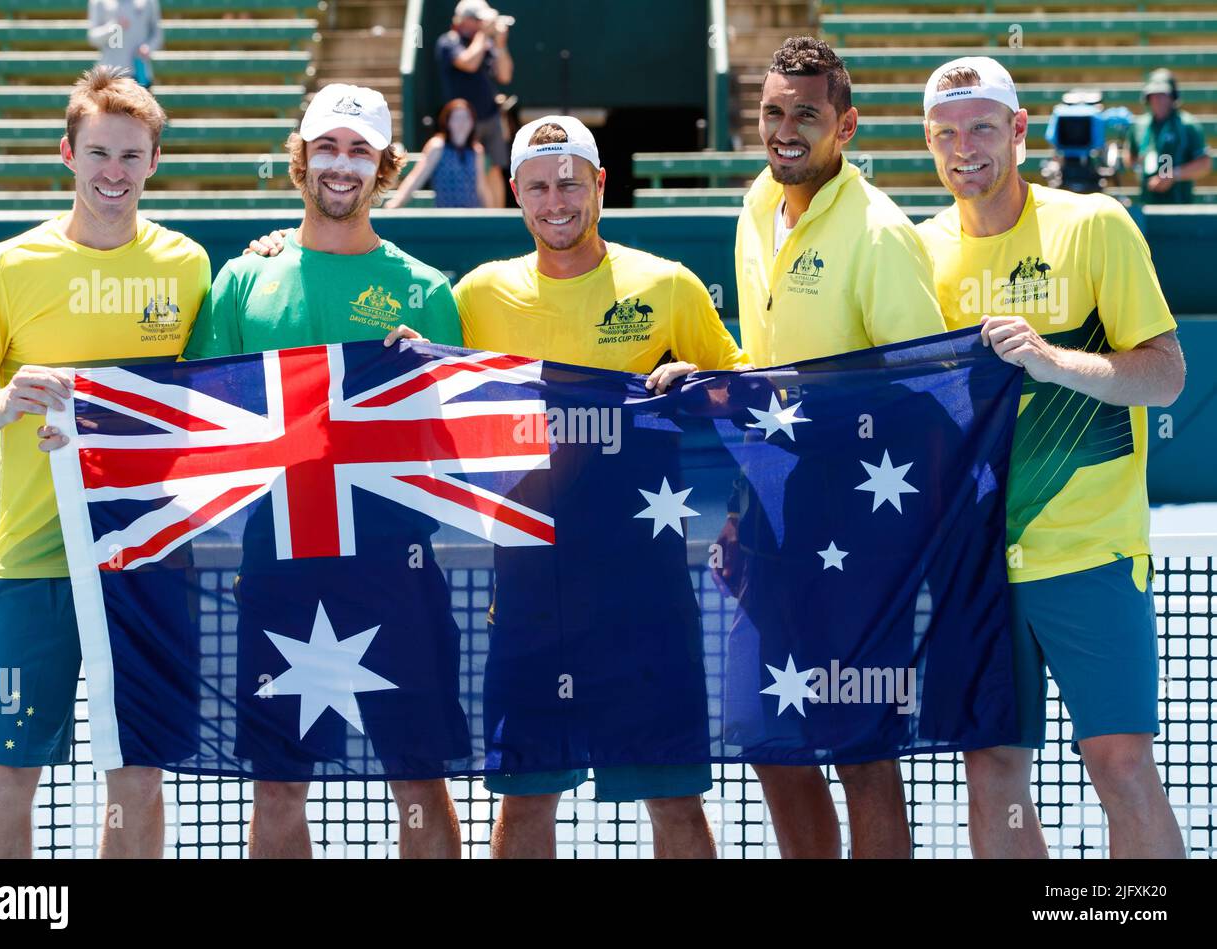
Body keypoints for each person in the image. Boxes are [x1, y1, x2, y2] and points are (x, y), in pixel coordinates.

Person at [382, 116, 750, 859]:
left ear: (600, 185)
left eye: (571, 182)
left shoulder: (668, 286)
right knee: (525, 802)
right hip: (528, 593)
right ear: (515, 193)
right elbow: (421, 374)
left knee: (674, 801)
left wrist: (701, 380)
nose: (557, 200)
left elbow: (745, 396)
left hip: (645, 592)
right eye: (540, 186)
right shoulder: (478, 296)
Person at [0, 67, 210, 858]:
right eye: (98, 154)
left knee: (138, 778)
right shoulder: (8, 266)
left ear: (154, 162)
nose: (113, 173)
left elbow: (214, 400)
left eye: (130, 156)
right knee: (6, 776)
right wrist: (2, 401)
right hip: (29, 568)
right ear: (68, 154)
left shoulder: (188, 267)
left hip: (146, 565)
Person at [182, 84, 471, 860]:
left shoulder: (427, 291)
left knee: (418, 779)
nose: (341, 166)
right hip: (277, 563)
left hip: (394, 566)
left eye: (359, 151)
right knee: (279, 783)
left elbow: (453, 450)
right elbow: (203, 422)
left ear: (384, 166)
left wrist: (424, 380)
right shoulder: (242, 282)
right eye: (327, 148)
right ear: (301, 158)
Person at [917, 56, 1187, 858]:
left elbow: (1167, 375)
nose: (965, 148)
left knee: (1122, 762)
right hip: (975, 565)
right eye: (946, 134)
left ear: (1021, 131)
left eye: (983, 129)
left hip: (1090, 552)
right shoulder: (913, 250)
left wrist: (1052, 359)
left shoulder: (1095, 224)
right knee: (992, 767)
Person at [723, 36, 949, 859]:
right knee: (765, 735)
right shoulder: (755, 204)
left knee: (863, 751)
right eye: (773, 113)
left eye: (806, 116)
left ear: (845, 125)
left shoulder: (882, 234)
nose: (786, 130)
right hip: (774, 524)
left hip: (862, 533)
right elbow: (763, 374)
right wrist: (746, 505)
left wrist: (897, 543)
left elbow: (932, 392)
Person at [435, 0, 514, 207]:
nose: (482, 25)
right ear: (464, 20)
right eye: (478, 20)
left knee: (496, 167)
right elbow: (468, 63)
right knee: (471, 167)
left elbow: (504, 76)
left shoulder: (485, 45)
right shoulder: (448, 42)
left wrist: (500, 45)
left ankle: (497, 219)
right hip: (463, 121)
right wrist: (483, 35)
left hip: (491, 116)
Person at [1126, 69, 1211, 205]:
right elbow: (1130, 156)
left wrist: (1173, 175)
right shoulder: (1139, 125)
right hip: (1147, 203)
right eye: (1153, 95)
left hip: (1180, 204)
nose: (1157, 100)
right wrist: (1139, 167)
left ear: (1173, 97)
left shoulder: (1188, 125)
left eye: (1162, 95)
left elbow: (1204, 164)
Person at [386, 99, 492, 208]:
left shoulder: (477, 151)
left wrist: (492, 216)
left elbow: (481, 187)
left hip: (472, 218)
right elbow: (416, 178)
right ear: (448, 122)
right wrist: (395, 203)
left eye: (466, 118)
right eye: (457, 118)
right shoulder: (437, 146)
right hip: (446, 218)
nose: (462, 123)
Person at [88, 0, 163, 89]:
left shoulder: (149, 2)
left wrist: (148, 47)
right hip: (110, 75)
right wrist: (114, 27)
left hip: (140, 74)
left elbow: (157, 35)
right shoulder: (99, 2)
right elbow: (93, 37)